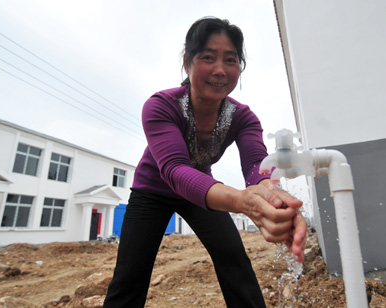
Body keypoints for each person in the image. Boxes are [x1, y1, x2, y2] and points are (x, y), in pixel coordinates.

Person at [103, 17, 307, 308]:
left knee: (233, 258)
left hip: (201, 194)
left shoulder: (243, 117)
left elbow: (256, 167)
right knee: (130, 275)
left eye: (231, 60)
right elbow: (175, 170)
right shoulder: (162, 105)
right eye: (208, 58)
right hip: (152, 193)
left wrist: (273, 196)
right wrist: (244, 202)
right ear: (187, 63)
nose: (220, 70)